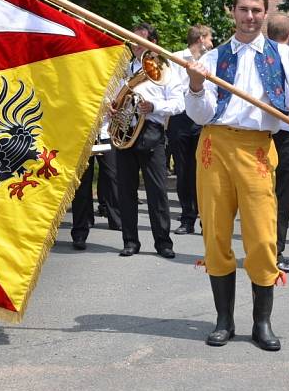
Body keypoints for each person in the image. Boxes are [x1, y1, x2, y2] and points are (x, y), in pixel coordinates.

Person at [185, 0, 289, 351]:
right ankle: (223, 321)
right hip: (214, 147)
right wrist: (196, 85)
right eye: (243, 9)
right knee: (215, 235)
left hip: (257, 150)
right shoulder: (214, 58)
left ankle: (262, 322)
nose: (250, 17)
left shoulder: (283, 56)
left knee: (263, 238)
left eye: (256, 11)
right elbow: (199, 114)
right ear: (232, 12)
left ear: (265, 14)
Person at [114, 23, 184, 259]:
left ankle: (163, 242)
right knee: (126, 191)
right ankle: (130, 241)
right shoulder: (123, 68)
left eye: (141, 41)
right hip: (126, 131)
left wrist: (154, 106)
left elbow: (178, 104)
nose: (135, 45)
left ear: (153, 42)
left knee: (157, 192)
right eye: (133, 41)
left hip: (151, 132)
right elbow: (111, 98)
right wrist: (112, 108)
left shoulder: (167, 70)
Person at [169, 24, 213, 235]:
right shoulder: (176, 58)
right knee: (183, 170)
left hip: (202, 119)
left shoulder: (210, 59)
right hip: (180, 117)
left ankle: (206, 218)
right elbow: (172, 87)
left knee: (204, 170)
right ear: (201, 39)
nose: (211, 42)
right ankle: (187, 218)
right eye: (210, 38)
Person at [266, 14, 289, 273]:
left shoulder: (262, 57)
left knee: (263, 195)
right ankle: (274, 252)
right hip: (284, 135)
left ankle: (268, 250)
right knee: (280, 196)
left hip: (262, 135)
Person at [70, 120, 121, 250]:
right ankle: (80, 231)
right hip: (82, 133)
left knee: (113, 176)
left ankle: (117, 220)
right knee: (82, 182)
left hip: (105, 133)